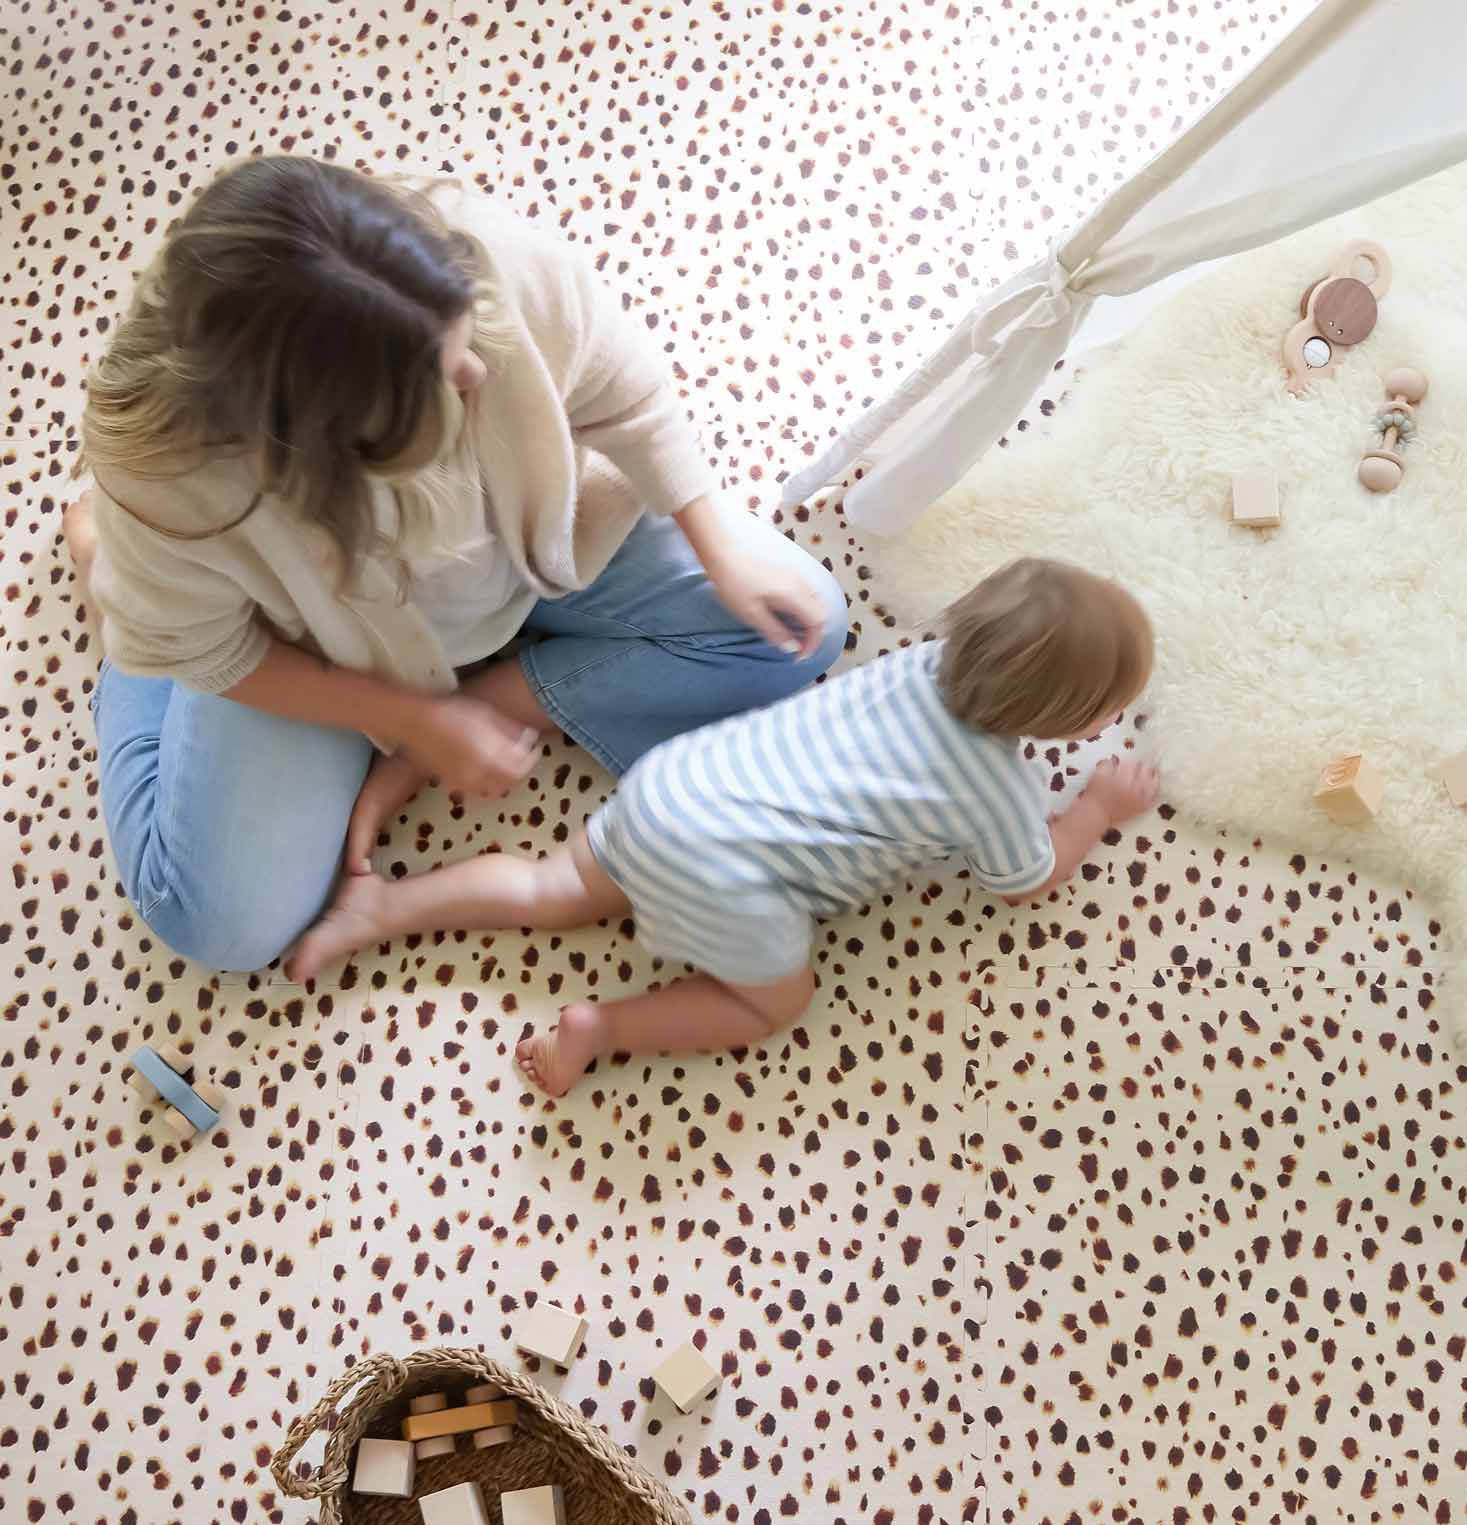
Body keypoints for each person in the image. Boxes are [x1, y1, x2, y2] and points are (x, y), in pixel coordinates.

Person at [64, 155, 847, 972]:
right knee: (219, 928)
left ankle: (484, 691)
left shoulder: (474, 259)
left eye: (464, 338)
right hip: (309, 643)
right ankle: (116, 608)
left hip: (527, 552)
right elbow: (219, 655)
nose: (479, 372)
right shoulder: (172, 484)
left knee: (801, 627)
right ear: (332, 454)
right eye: (443, 384)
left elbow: (624, 390)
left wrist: (713, 540)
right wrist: (410, 718)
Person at [286, 557, 1160, 1096]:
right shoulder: (998, 795)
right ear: (1070, 726)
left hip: (683, 787)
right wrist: (1094, 810)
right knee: (777, 1002)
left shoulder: (926, 662)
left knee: (550, 886)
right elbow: (1029, 877)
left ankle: (386, 910)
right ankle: (607, 1028)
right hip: (732, 881)